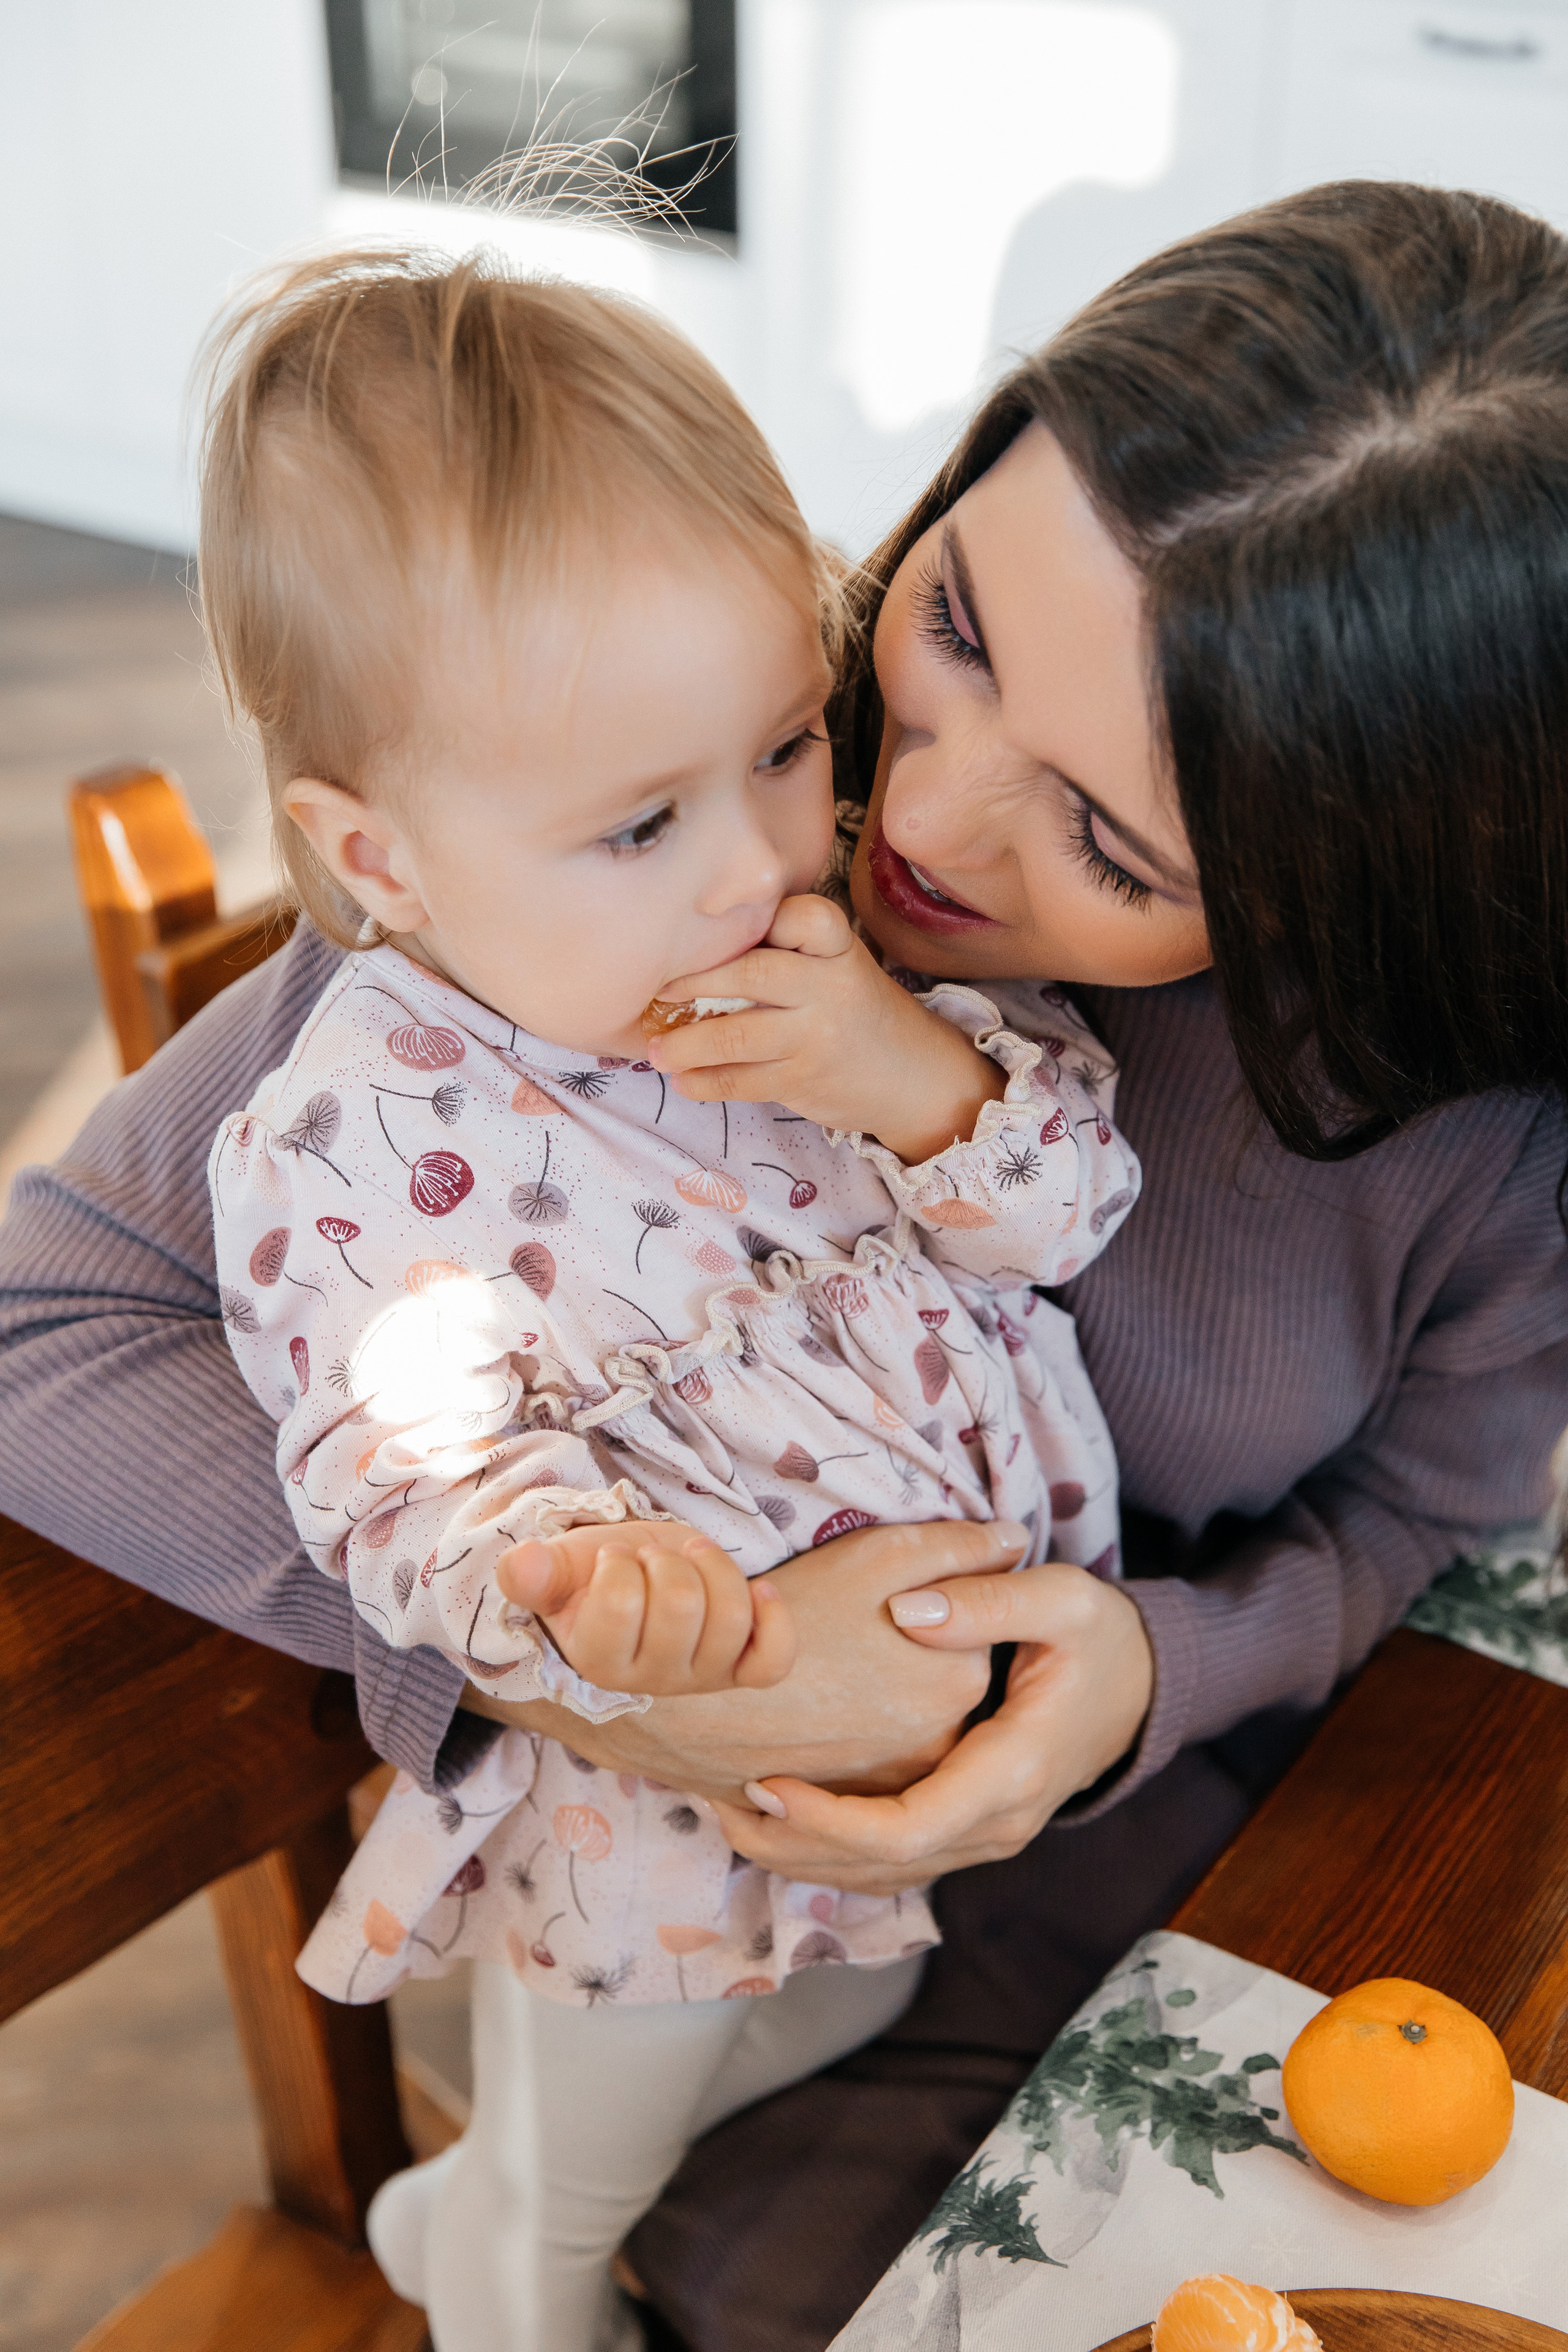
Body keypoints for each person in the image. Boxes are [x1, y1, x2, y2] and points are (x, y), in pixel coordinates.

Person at [2, 178, 1564, 2351]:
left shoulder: (1472, 1116)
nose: (902, 828)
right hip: (714, 1898)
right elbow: (42, 1326)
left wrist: (1140, 1673)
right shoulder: (625, 823)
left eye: (1112, 843)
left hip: (1185, 1846)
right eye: (952, 630)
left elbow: (1437, 1518)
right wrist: (577, 1660)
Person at [195, 244, 1139, 2351]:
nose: (754, 865)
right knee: (585, 2194)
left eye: (790, 746)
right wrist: (556, 1571)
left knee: (854, 2000)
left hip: (919, 1782)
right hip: (657, 1819)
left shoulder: (842, 968)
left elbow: (1067, 1209)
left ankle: (475, 2209)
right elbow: (393, 1442)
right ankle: (501, 2279)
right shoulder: (348, 1138)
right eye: (639, 823)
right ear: (387, 861)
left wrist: (912, 1082)